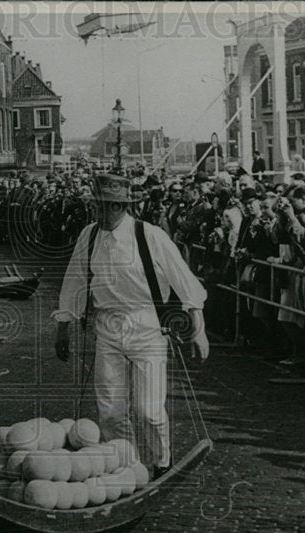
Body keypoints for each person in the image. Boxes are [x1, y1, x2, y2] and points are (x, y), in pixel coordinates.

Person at [53, 173, 209, 479]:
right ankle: (127, 468)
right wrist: (63, 326)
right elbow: (74, 280)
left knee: (148, 410)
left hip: (146, 325)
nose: (103, 213)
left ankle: (162, 462)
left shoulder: (149, 235)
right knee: (110, 411)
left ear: (123, 207)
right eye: (98, 206)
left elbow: (185, 280)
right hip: (106, 326)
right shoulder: (89, 236)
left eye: (111, 207)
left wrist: (199, 328)